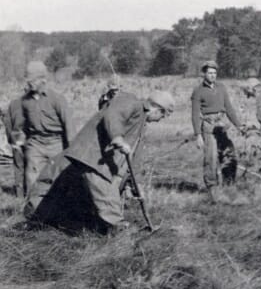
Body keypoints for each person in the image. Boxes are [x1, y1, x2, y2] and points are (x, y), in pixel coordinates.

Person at [24, 91, 174, 235]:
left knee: (68, 196)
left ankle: (44, 224)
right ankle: (120, 234)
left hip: (94, 162)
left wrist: (134, 184)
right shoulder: (130, 101)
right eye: (163, 115)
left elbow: (135, 158)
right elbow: (113, 115)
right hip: (93, 158)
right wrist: (117, 137)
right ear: (157, 109)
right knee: (107, 199)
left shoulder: (142, 125)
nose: (160, 120)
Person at [9, 61, 73, 197]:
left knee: (58, 179)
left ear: (42, 79)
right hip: (35, 144)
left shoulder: (57, 99)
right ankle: (32, 212)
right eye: (28, 80)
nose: (28, 83)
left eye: (32, 80)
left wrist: (70, 151)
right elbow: (22, 125)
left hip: (56, 143)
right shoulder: (24, 101)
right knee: (31, 179)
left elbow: (69, 126)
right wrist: (19, 140)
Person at [190, 60, 243, 196]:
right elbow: (195, 114)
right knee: (211, 158)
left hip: (221, 125)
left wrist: (238, 125)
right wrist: (198, 135)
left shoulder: (221, 87)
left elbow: (229, 108)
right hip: (208, 126)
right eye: (210, 73)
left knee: (229, 153)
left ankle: (229, 183)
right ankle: (211, 187)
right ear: (204, 74)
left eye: (215, 73)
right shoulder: (198, 91)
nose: (213, 75)